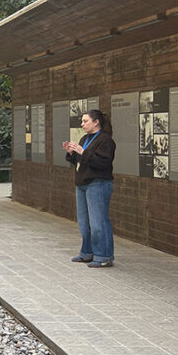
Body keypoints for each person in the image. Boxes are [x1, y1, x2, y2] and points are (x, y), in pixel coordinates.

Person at [63, 108, 116, 268]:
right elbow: (80, 161)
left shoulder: (106, 140)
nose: (82, 124)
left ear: (96, 122)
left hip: (98, 183)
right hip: (82, 183)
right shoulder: (85, 138)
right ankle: (87, 252)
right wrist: (71, 153)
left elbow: (103, 163)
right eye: (82, 121)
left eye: (85, 121)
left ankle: (104, 256)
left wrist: (82, 151)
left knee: (98, 222)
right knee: (84, 222)